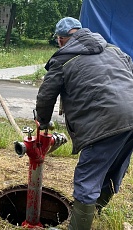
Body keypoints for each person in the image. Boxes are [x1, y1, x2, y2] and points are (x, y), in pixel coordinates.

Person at [35, 17, 133, 230]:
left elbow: (46, 96)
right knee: (112, 167)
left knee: (87, 177)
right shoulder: (114, 50)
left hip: (105, 122)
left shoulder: (64, 58)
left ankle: (78, 226)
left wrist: (41, 122)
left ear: (61, 40)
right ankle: (92, 212)